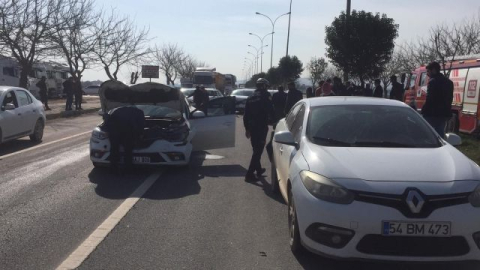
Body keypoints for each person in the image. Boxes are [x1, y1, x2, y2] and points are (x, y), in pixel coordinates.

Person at [243, 78, 274, 182]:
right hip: (261, 127)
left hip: (252, 127)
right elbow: (271, 110)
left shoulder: (250, 97)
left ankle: (259, 169)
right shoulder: (266, 95)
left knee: (256, 149)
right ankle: (249, 174)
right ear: (264, 86)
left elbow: (245, 115)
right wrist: (275, 121)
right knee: (258, 150)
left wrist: (247, 129)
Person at [105, 106, 145, 171]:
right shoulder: (139, 112)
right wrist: (140, 135)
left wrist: (107, 131)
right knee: (128, 150)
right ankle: (128, 167)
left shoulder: (116, 110)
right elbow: (141, 125)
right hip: (127, 131)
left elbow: (107, 121)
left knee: (114, 148)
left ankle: (113, 167)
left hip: (114, 131)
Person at [421, 62, 454, 138]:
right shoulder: (449, 82)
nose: (427, 74)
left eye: (428, 71)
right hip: (443, 114)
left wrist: (424, 110)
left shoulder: (432, 82)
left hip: (431, 113)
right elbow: (450, 99)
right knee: (440, 133)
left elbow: (430, 99)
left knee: (425, 133)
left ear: (434, 70)